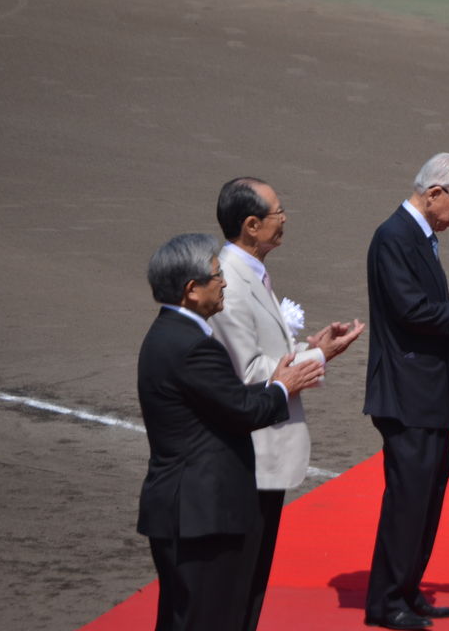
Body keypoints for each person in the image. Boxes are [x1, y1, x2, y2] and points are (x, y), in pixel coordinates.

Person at [136, 233, 323, 631]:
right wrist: (282, 385)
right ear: (191, 289)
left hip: (185, 508)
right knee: (210, 618)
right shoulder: (193, 346)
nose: (223, 283)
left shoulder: (168, 334)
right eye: (216, 276)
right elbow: (242, 409)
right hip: (203, 513)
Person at [211, 177, 364, 631]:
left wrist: (309, 346)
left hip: (263, 450)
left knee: (253, 579)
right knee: (240, 582)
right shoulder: (231, 284)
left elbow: (266, 354)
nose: (285, 220)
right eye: (278, 213)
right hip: (250, 455)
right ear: (251, 225)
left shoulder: (249, 271)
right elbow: (250, 373)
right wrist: (321, 356)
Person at [363, 154, 449, 631]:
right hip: (406, 393)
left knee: (427, 498)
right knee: (407, 500)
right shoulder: (393, 237)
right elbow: (409, 309)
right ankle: (385, 601)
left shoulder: (420, 237)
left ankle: (407, 589)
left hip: (428, 390)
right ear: (434, 193)